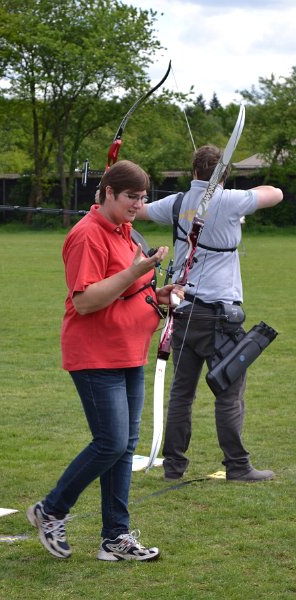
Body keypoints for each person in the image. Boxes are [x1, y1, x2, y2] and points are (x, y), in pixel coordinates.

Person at [27, 159, 183, 561]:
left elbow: (128, 291)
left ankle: (115, 538)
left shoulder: (126, 232)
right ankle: (50, 510)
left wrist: (158, 293)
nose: (138, 204)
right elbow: (86, 300)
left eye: (144, 197)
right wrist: (136, 273)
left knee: (124, 447)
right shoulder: (87, 235)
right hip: (95, 354)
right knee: (111, 441)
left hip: (130, 352)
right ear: (109, 193)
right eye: (132, 196)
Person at [137, 145, 283, 483]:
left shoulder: (176, 203)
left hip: (183, 311)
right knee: (229, 393)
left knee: (182, 394)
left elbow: (139, 212)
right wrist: (232, 189)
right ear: (224, 174)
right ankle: (238, 466)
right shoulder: (230, 200)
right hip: (219, 316)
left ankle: (174, 467)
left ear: (193, 171)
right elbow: (275, 193)